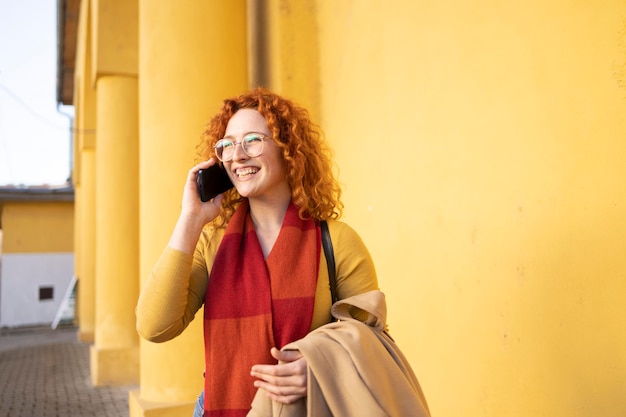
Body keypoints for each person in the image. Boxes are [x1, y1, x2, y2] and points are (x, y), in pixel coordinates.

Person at [135, 88, 379, 417]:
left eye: (252, 140)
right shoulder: (212, 243)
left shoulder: (336, 241)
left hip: (307, 410)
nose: (237, 155)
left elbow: (372, 339)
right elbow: (155, 326)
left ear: (287, 149)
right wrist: (190, 220)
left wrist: (319, 366)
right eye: (227, 145)